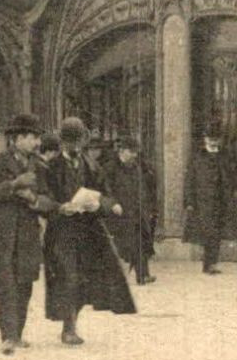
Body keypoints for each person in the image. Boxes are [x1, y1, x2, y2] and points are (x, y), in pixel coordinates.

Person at [41, 117, 135, 345]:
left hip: (88, 231)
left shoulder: (91, 166)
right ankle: (68, 328)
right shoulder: (51, 167)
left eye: (77, 142)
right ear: (62, 142)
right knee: (68, 276)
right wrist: (59, 207)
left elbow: (105, 193)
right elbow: (43, 197)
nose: (73, 147)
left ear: (83, 141)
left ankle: (71, 324)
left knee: (84, 278)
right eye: (68, 142)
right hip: (61, 232)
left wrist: (101, 204)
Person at [0, 113, 56, 354]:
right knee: (4, 285)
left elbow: (50, 202)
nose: (36, 143)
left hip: (27, 236)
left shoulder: (40, 167)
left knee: (24, 285)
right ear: (17, 138)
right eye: (32, 137)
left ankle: (17, 334)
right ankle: (8, 336)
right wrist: (13, 185)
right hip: (0, 235)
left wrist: (32, 198)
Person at [182, 125, 237, 275]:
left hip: (221, 200)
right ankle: (208, 264)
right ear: (205, 139)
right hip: (202, 201)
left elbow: (231, 174)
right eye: (210, 139)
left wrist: (236, 188)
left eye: (216, 139)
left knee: (217, 232)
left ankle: (211, 263)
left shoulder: (224, 155)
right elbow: (190, 180)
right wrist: (189, 201)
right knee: (208, 232)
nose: (213, 142)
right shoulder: (197, 157)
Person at [102, 138, 158, 285]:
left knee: (141, 241)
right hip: (119, 213)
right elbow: (105, 188)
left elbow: (143, 189)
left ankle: (143, 275)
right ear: (121, 151)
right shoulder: (110, 168)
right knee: (124, 246)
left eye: (136, 152)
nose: (134, 155)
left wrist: (147, 208)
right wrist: (113, 203)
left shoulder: (137, 168)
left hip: (137, 211)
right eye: (131, 151)